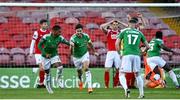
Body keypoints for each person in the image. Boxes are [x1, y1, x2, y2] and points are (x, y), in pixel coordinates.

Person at [115, 17, 150, 98]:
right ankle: (141, 94)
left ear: (129, 23)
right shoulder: (139, 33)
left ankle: (126, 89)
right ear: (135, 24)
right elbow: (148, 46)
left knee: (121, 74)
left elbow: (117, 44)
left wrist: (119, 53)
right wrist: (142, 52)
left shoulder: (124, 31)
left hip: (127, 54)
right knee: (137, 74)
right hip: (136, 55)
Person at [38, 25, 70, 94]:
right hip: (44, 57)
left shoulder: (60, 37)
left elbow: (68, 43)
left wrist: (74, 44)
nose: (60, 33)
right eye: (59, 32)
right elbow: (39, 45)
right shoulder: (46, 36)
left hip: (54, 55)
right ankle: (48, 87)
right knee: (47, 73)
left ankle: (58, 80)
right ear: (54, 31)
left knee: (60, 67)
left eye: (60, 32)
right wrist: (45, 53)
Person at [70, 24, 98, 94]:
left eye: (80, 31)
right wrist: (71, 48)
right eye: (77, 31)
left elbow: (90, 44)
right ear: (75, 31)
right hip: (76, 57)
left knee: (86, 68)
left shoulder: (86, 36)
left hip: (85, 54)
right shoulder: (73, 38)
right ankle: (80, 80)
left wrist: (94, 52)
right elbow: (70, 50)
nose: (79, 32)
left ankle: (89, 87)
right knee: (79, 72)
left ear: (82, 31)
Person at [100, 19, 127, 88]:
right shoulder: (109, 32)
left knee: (118, 69)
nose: (115, 26)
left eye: (116, 25)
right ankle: (106, 86)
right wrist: (110, 22)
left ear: (118, 26)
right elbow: (101, 27)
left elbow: (128, 27)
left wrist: (120, 22)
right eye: (113, 24)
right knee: (107, 69)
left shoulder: (121, 32)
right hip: (110, 52)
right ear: (111, 25)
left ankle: (115, 85)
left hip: (118, 52)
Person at [29, 19, 49, 88]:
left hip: (46, 53)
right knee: (42, 68)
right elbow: (33, 42)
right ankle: (41, 83)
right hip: (38, 53)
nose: (46, 25)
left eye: (46, 24)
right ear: (41, 25)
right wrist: (31, 52)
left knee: (45, 69)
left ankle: (41, 84)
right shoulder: (36, 32)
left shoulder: (49, 33)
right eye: (44, 24)